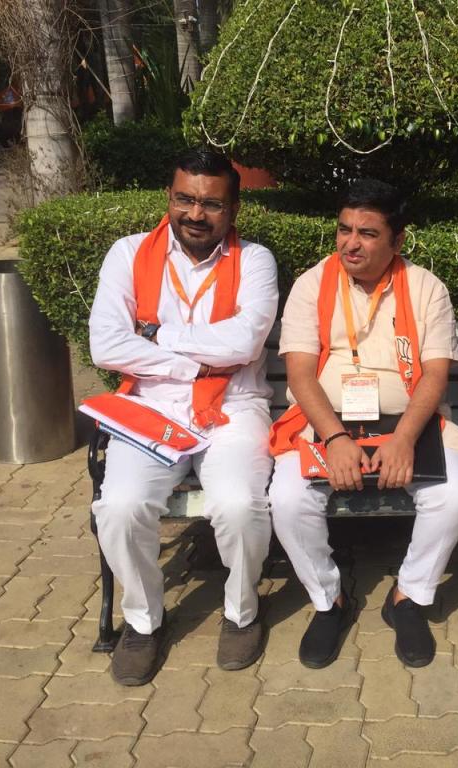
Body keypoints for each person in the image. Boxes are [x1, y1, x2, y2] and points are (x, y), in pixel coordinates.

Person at [88, 148, 279, 685]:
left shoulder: (255, 261)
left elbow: (245, 342)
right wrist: (196, 365)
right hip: (150, 407)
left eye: (212, 204)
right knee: (120, 507)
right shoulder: (128, 254)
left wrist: (155, 335)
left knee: (239, 506)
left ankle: (242, 611)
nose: (196, 214)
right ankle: (143, 621)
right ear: (169, 198)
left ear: (233, 209)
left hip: (233, 407)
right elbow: (106, 345)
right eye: (185, 199)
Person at [268, 179, 458, 670]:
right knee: (288, 500)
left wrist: (404, 438)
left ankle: (409, 595)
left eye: (367, 233)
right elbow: (300, 374)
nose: (351, 243)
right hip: (326, 424)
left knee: (454, 496)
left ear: (397, 240)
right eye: (344, 230)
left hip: (410, 426)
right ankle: (329, 600)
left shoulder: (425, 287)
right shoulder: (312, 284)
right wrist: (336, 437)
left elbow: (435, 375)